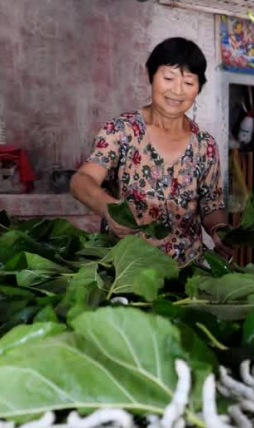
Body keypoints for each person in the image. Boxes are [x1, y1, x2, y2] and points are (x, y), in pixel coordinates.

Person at [71, 37, 230, 266]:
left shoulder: (205, 145)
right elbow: (81, 181)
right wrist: (109, 209)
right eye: (168, 78)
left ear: (199, 88)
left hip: (186, 270)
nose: (177, 91)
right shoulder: (123, 130)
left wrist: (219, 230)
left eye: (188, 82)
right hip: (128, 269)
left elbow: (211, 205)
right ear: (150, 75)